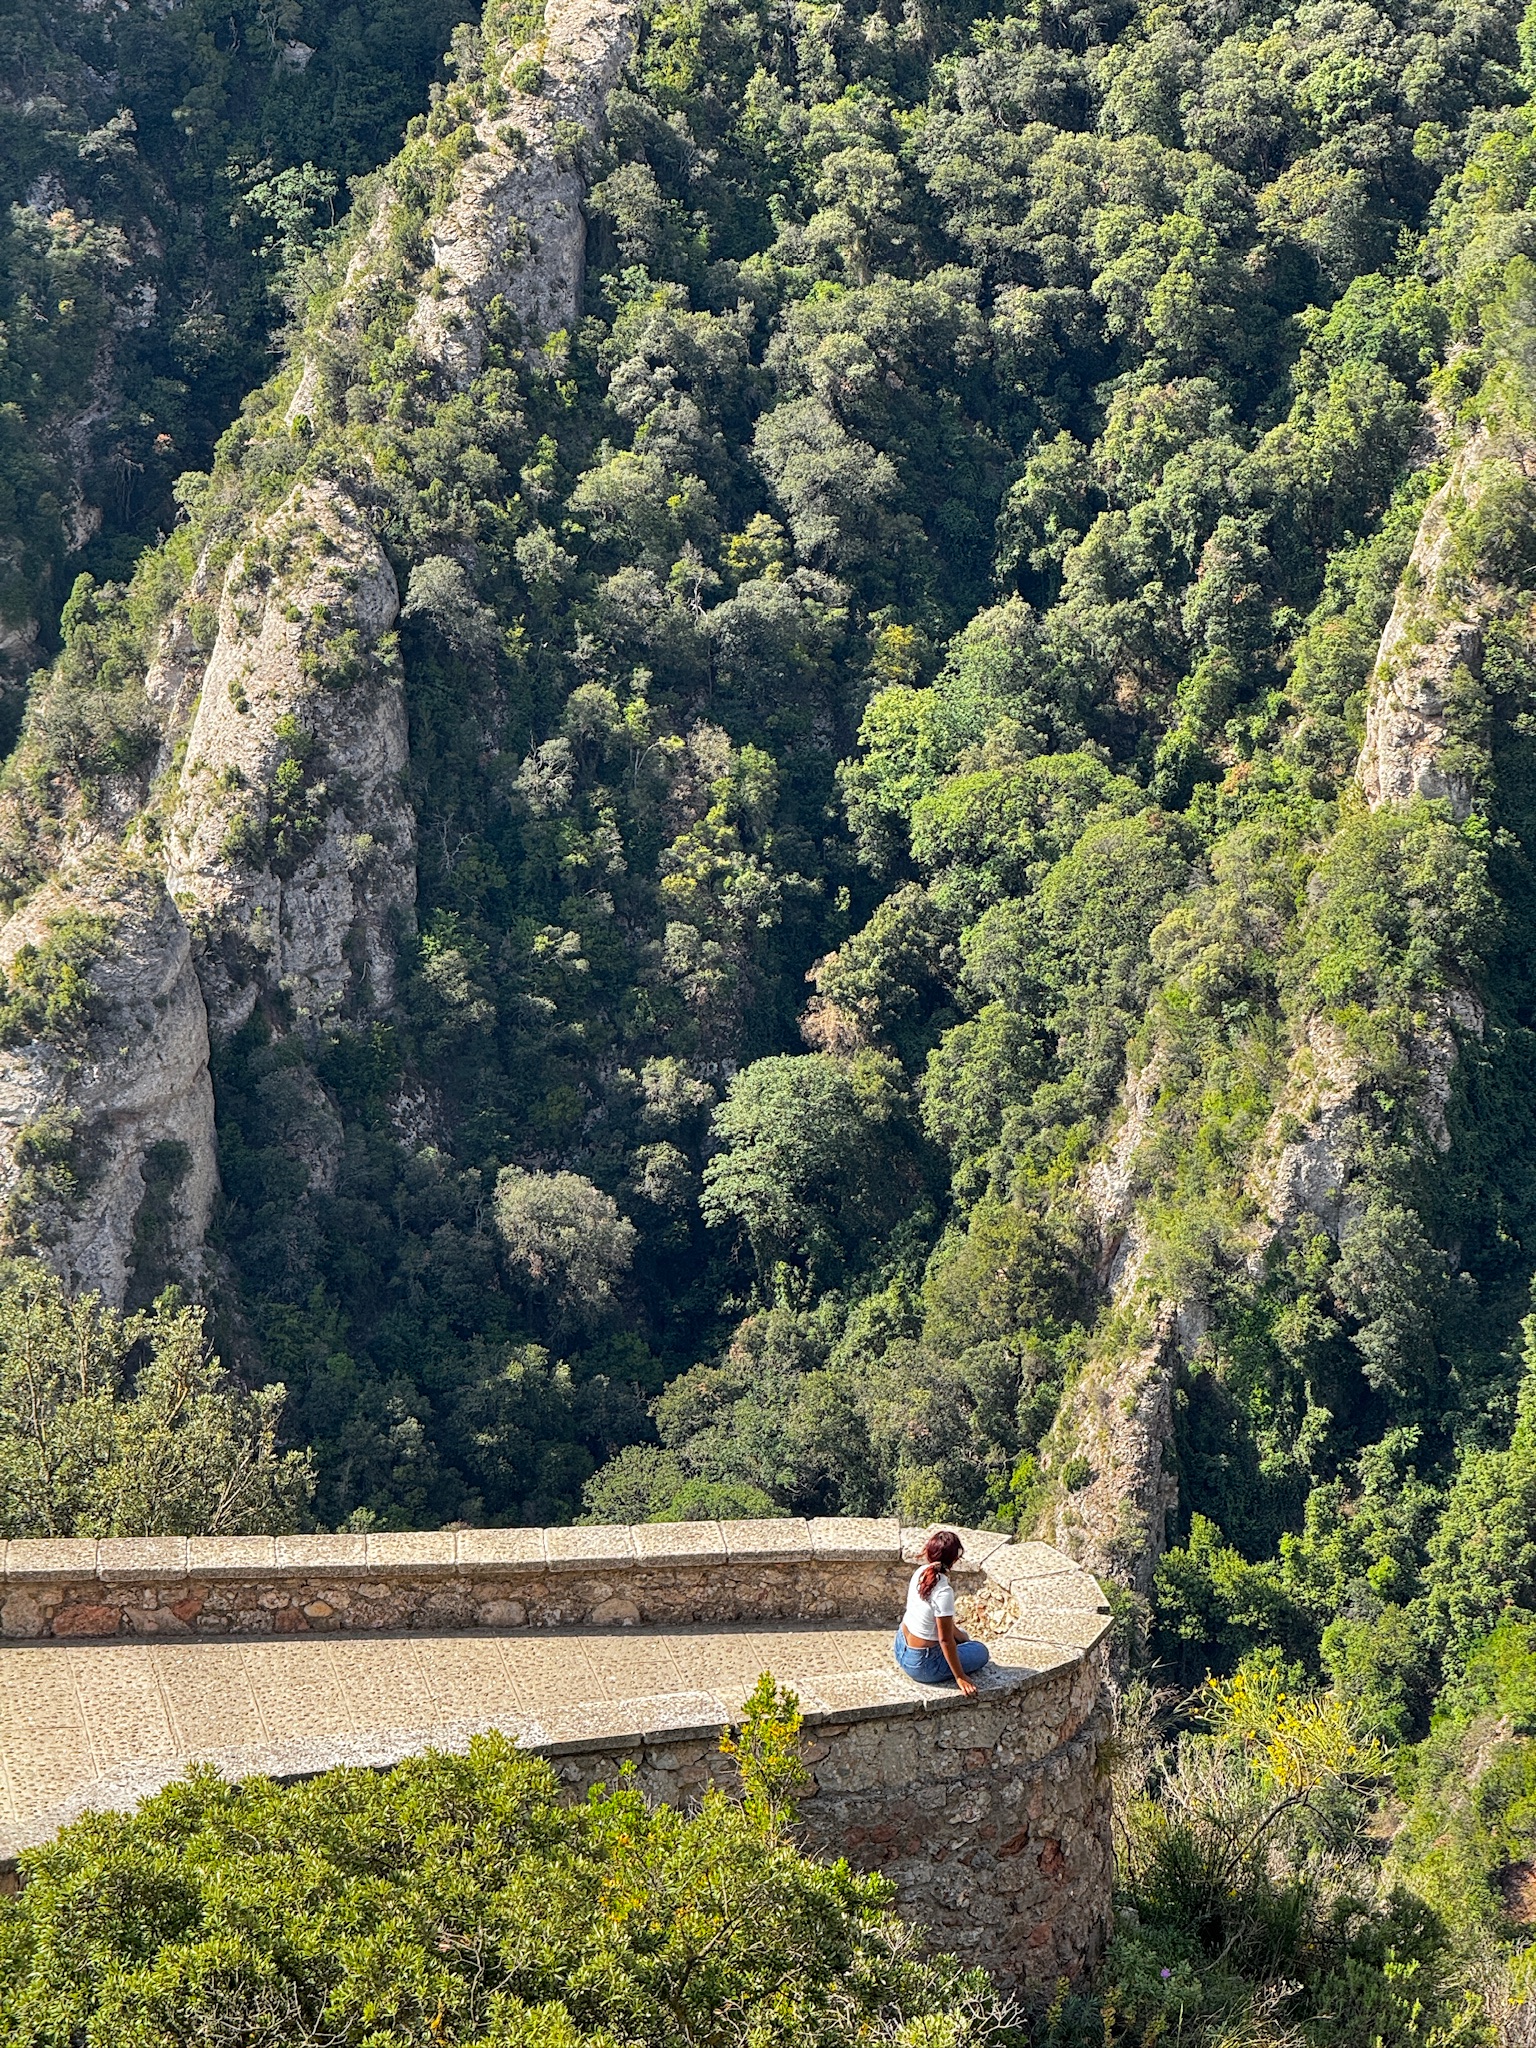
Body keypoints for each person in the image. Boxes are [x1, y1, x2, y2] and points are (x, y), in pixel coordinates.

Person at [894, 1529, 989, 1695]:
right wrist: (960, 1676)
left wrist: (961, 1637)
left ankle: (962, 1641)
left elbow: (942, 1625)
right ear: (954, 1559)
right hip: (922, 1664)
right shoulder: (943, 1591)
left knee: (963, 1636)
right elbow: (945, 1640)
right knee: (980, 1651)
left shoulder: (920, 1572)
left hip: (900, 1646)